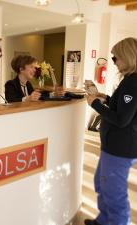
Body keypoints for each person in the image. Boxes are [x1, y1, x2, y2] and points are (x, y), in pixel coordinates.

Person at [85, 37, 137, 225]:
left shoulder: (133, 83)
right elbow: (123, 109)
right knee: (101, 184)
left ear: (127, 57)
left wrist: (95, 104)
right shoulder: (128, 81)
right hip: (112, 146)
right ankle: (104, 220)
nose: (114, 62)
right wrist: (105, 98)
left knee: (114, 193)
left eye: (115, 58)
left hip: (120, 148)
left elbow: (122, 120)